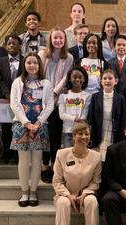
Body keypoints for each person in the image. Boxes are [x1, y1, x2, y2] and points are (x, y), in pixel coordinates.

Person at [10, 52, 54, 207]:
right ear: (24, 65)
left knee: (37, 161)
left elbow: (49, 105)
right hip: (21, 126)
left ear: (39, 65)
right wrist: (27, 123)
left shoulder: (46, 83)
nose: (32, 65)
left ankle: (34, 191)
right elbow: (14, 104)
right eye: (29, 62)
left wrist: (38, 123)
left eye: (35, 62)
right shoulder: (17, 82)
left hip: (40, 127)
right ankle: (24, 192)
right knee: (23, 160)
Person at [38, 27, 73, 183]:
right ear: (50, 39)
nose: (58, 41)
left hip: (58, 102)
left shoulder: (69, 58)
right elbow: (37, 75)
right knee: (44, 135)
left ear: (64, 40)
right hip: (42, 102)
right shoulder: (41, 54)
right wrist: (46, 93)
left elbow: (66, 78)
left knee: (55, 135)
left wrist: (54, 92)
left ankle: (53, 165)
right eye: (55, 38)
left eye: (61, 38)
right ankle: (44, 164)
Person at [53, 120, 101, 225]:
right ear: (74, 136)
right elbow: (57, 181)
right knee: (63, 202)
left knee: (91, 201)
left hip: (87, 193)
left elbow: (95, 182)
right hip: (65, 194)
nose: (84, 137)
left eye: (87, 134)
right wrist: (68, 195)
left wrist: (84, 194)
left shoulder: (97, 156)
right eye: (80, 134)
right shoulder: (61, 154)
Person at [0, 34, 23, 164]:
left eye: (14, 43)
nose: (11, 45)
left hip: (21, 100)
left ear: (20, 46)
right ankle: (6, 154)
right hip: (5, 100)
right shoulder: (0, 62)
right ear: (5, 46)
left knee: (19, 127)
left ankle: (16, 156)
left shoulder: (25, 60)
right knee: (6, 129)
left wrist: (18, 96)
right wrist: (7, 94)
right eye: (9, 43)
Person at [88, 69, 126, 161]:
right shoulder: (95, 97)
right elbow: (91, 118)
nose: (107, 81)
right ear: (101, 82)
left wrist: (121, 140)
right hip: (99, 134)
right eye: (105, 78)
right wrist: (92, 138)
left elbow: (123, 120)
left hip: (114, 135)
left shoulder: (120, 98)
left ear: (115, 81)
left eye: (110, 78)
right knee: (98, 160)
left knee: (111, 160)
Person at [58, 66, 91, 148]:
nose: (77, 79)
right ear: (69, 78)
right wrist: (75, 119)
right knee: (69, 158)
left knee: (80, 157)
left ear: (84, 79)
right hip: (68, 132)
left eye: (80, 77)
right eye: (74, 77)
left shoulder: (88, 96)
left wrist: (78, 120)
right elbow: (61, 115)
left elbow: (84, 116)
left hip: (81, 133)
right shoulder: (63, 95)